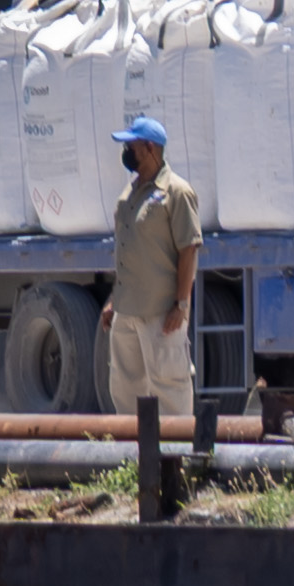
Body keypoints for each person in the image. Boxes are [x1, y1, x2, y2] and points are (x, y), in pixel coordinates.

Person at [101, 112, 202, 424]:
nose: (126, 152)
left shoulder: (176, 192)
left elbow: (189, 250)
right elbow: (128, 253)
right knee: (125, 389)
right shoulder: (130, 194)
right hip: (127, 312)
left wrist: (181, 303)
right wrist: (113, 301)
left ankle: (177, 462)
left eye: (131, 145)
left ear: (150, 148)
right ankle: (134, 462)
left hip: (161, 315)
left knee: (169, 390)